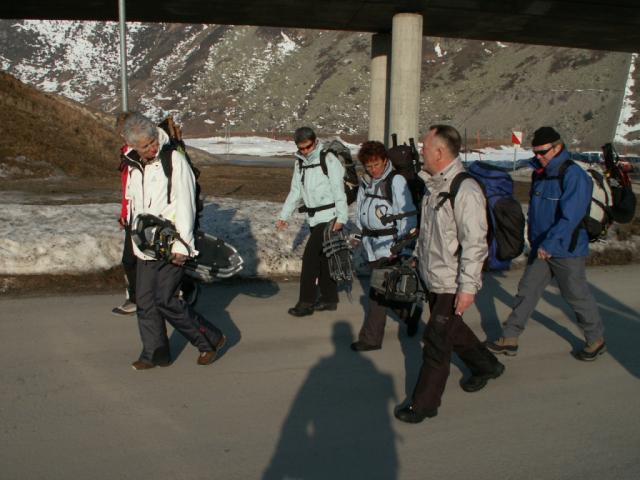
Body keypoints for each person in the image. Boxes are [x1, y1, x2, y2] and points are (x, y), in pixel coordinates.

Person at [395, 125, 504, 424]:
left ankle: (424, 404)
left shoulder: (464, 189)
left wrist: (467, 288)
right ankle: (486, 366)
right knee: (451, 330)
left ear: (440, 152)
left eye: (425, 148)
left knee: (437, 341)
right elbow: (430, 233)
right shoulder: (435, 186)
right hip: (435, 276)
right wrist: (418, 258)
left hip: (452, 282)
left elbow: (475, 243)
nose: (421, 153)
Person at [487, 127, 606, 361]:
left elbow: (570, 217)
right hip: (542, 246)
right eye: (536, 152)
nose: (538, 156)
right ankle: (510, 338)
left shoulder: (574, 175)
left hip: (566, 248)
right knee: (527, 291)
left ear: (558, 147)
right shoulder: (540, 173)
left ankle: (595, 339)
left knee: (576, 295)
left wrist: (550, 244)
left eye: (543, 152)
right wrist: (535, 241)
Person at [122, 112, 225, 370]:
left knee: (166, 299)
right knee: (145, 302)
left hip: (171, 242)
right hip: (145, 244)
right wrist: (134, 236)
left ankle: (209, 340)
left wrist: (183, 246)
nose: (151, 148)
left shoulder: (174, 160)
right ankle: (155, 353)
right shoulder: (133, 164)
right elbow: (134, 203)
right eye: (144, 146)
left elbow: (186, 204)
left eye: (152, 141)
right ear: (134, 146)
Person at [350, 140, 419, 352]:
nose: (373, 169)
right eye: (368, 166)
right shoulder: (366, 182)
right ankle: (409, 314)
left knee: (377, 293)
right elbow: (361, 210)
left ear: (385, 160)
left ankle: (371, 339)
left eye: (376, 164)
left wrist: (404, 247)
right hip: (371, 244)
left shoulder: (396, 181)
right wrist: (358, 234)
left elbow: (408, 215)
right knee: (387, 291)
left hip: (390, 246)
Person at [276, 127, 349, 317]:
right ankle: (329, 299)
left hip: (330, 216)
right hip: (314, 218)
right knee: (325, 258)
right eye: (301, 149)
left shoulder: (328, 159)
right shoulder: (299, 163)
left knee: (310, 259)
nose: (305, 152)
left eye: (307, 147)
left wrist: (341, 217)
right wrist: (284, 216)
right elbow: (295, 191)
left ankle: (306, 302)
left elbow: (338, 189)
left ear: (315, 141)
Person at [112, 112, 138, 316]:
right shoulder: (127, 153)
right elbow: (126, 189)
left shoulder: (138, 154)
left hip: (141, 215)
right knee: (132, 260)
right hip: (132, 214)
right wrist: (124, 213)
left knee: (130, 260)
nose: (121, 134)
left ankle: (137, 299)